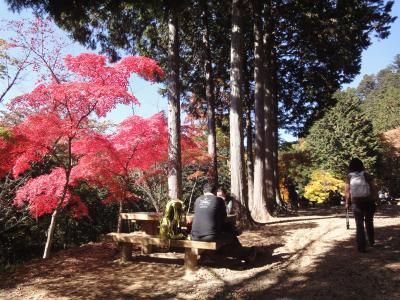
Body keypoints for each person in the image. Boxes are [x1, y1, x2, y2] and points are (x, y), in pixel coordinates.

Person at [190, 183, 255, 263]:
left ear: (204, 191)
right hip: (211, 237)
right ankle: (245, 255)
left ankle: (208, 255)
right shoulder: (218, 200)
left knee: (224, 232)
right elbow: (224, 218)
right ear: (215, 192)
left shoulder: (197, 200)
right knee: (231, 235)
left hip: (194, 236)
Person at [344, 158, 378, 253]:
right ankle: (371, 241)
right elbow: (373, 187)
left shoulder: (349, 177)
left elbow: (347, 191)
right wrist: (376, 200)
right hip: (369, 202)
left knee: (359, 224)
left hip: (356, 203)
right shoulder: (366, 175)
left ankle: (361, 247)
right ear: (361, 165)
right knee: (369, 222)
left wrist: (347, 203)